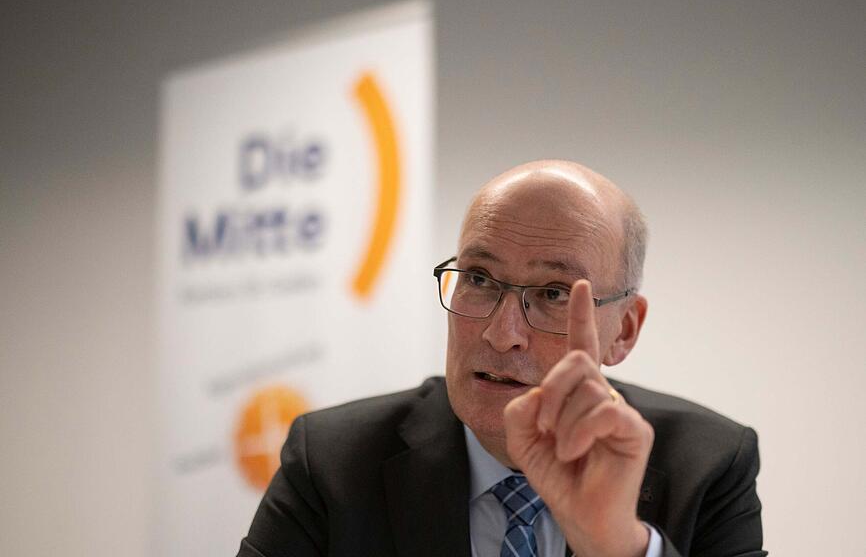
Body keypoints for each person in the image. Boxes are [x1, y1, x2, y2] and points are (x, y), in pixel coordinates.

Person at [236, 160, 765, 557]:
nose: (501, 333)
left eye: (554, 293)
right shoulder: (332, 462)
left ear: (623, 330)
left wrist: (617, 547)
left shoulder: (708, 465)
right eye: (480, 279)